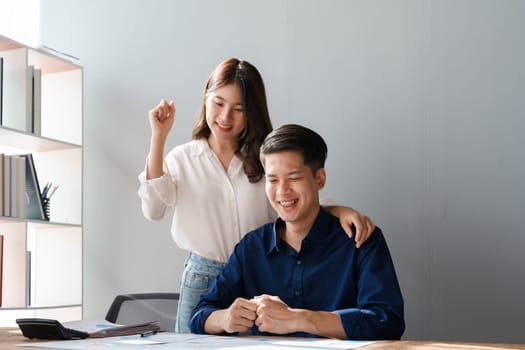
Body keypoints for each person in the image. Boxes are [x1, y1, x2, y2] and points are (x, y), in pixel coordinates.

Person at [138, 58, 376, 333]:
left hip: (258, 276)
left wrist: (340, 211)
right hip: (203, 278)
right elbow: (153, 210)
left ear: (252, 112)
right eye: (218, 103)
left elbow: (296, 203)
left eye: (238, 109)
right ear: (205, 98)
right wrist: (159, 137)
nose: (226, 117)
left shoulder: (265, 159)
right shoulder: (184, 158)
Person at [189, 124, 405, 340]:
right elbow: (199, 315)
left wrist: (300, 319)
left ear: (319, 179)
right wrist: (225, 317)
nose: (282, 191)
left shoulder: (360, 239)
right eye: (273, 180)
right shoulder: (252, 247)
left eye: (293, 178)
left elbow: (387, 320)